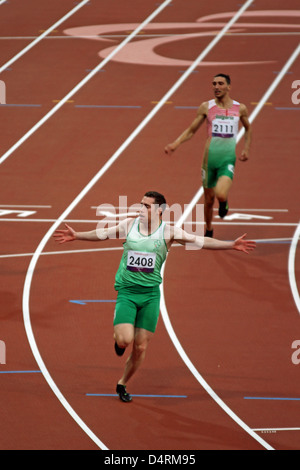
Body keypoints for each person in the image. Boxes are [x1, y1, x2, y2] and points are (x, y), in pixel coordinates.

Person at [54, 191, 256, 403]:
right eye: (141, 205)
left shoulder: (168, 233)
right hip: (128, 292)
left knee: (140, 347)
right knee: (124, 340)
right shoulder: (129, 225)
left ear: (159, 210)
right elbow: (103, 233)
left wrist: (230, 244)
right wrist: (77, 235)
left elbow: (201, 241)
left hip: (150, 296)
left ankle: (122, 383)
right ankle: (119, 343)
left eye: (146, 206)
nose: (141, 209)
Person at [165, 73, 252, 237]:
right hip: (208, 161)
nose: (216, 87)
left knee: (220, 194)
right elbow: (191, 130)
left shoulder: (240, 108)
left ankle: (224, 203)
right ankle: (209, 228)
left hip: (227, 159)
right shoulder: (206, 107)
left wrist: (246, 148)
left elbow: (248, 128)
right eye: (213, 84)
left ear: (228, 87)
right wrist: (175, 144)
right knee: (208, 199)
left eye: (220, 83)